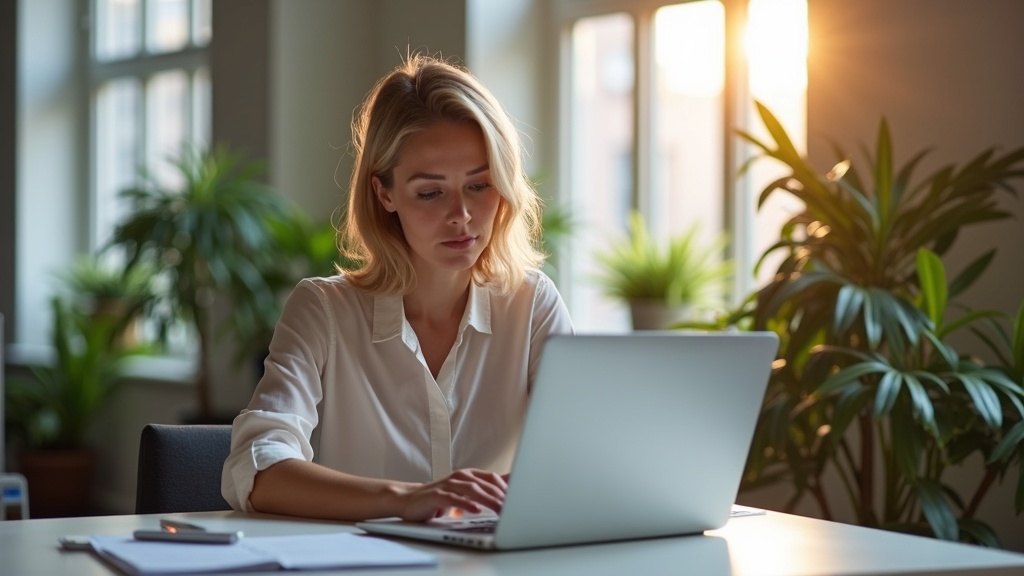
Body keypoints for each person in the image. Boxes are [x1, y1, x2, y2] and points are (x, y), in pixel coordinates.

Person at [221, 54, 574, 522]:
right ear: (384, 194)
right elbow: (257, 468)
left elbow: (583, 455)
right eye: (430, 192)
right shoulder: (323, 310)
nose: (462, 216)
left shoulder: (532, 303)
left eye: (480, 186)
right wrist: (405, 499)